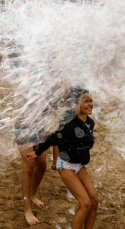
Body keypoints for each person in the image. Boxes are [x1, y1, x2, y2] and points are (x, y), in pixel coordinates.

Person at [27, 89, 97, 228]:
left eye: (91, 101)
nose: (90, 104)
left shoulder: (90, 123)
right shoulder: (68, 124)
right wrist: (38, 152)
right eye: (86, 101)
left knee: (94, 200)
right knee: (85, 203)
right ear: (76, 105)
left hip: (79, 164)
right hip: (66, 165)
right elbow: (53, 139)